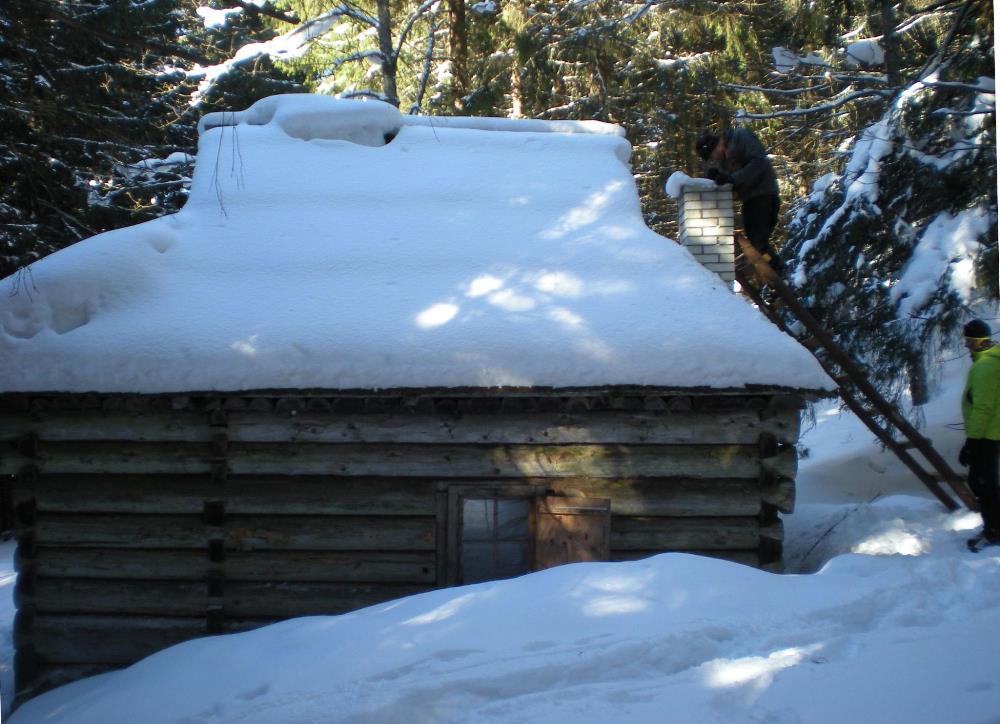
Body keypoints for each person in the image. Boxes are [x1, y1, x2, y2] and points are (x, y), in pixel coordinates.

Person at [696, 128, 783, 273]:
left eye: (712, 156)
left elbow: (759, 163)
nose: (714, 159)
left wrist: (732, 178)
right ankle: (776, 278)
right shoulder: (724, 161)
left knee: (758, 243)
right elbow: (733, 182)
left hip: (765, 195)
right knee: (754, 246)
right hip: (749, 200)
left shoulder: (740, 137)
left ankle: (780, 272)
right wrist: (719, 177)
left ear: (717, 145)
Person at [959, 318, 1000, 552]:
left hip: (987, 435)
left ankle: (994, 530)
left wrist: (971, 442)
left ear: (977, 341)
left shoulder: (985, 367)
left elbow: (983, 408)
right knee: (986, 482)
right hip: (989, 433)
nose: (966, 346)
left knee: (982, 483)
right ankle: (994, 526)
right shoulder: (989, 361)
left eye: (968, 341)